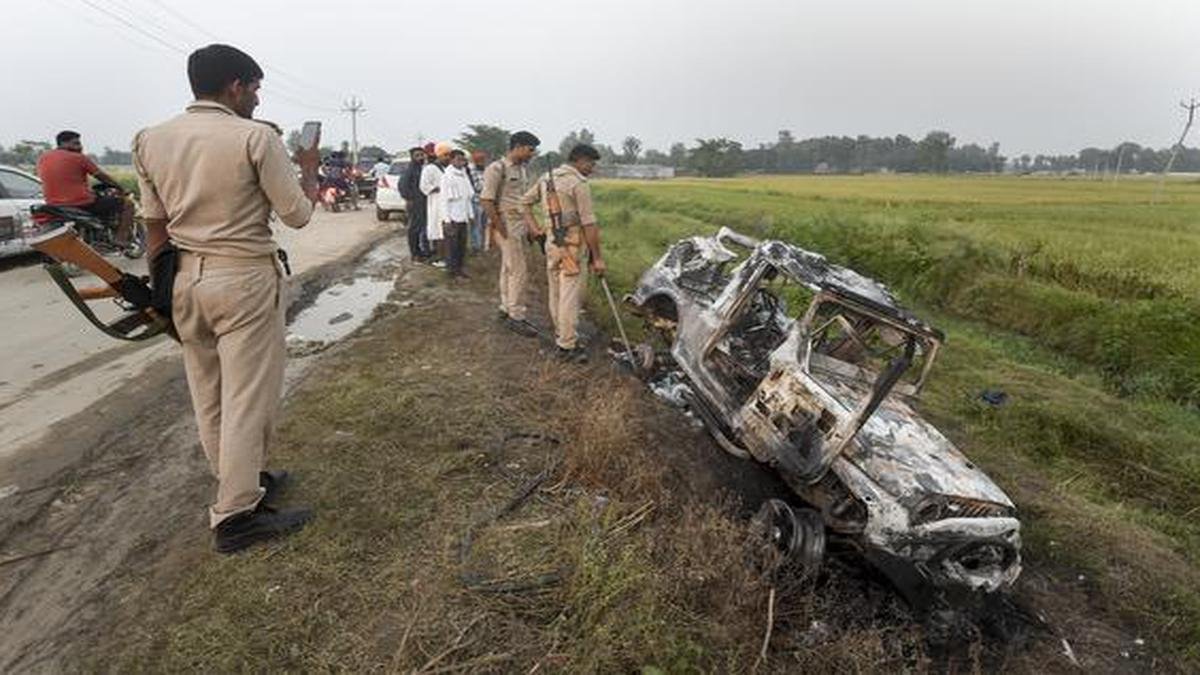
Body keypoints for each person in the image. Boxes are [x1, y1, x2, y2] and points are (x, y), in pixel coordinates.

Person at [131, 44, 320, 554]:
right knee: (247, 398)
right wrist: (308, 167)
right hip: (243, 280)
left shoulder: (150, 139)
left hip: (184, 280)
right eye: (255, 88)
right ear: (235, 86)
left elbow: (154, 225)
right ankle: (237, 516)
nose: (257, 99)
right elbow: (298, 215)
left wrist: (160, 291)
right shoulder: (255, 137)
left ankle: (241, 483)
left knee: (209, 394)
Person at [520, 144, 606, 362]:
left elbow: (524, 203)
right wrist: (597, 257)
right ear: (580, 160)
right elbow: (589, 224)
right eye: (591, 163)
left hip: (552, 244)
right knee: (570, 297)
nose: (592, 168)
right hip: (573, 246)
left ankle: (562, 333)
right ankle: (567, 345)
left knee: (556, 292)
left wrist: (536, 229)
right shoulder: (578, 183)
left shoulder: (545, 179)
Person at [481, 130, 540, 336]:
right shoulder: (497, 168)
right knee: (518, 271)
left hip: (518, 223)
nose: (532, 154)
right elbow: (487, 201)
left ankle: (506, 308)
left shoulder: (522, 170)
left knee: (509, 269)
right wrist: (500, 228)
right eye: (530, 150)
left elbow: (522, 201)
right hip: (506, 223)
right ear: (518, 147)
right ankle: (517, 316)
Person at [36, 130, 136, 248]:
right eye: (76, 143)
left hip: (53, 204)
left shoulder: (43, 158)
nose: (80, 147)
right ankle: (120, 238)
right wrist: (121, 188)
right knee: (128, 204)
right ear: (63, 143)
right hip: (80, 203)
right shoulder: (79, 158)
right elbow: (101, 176)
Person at [439, 149, 474, 279]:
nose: (461, 162)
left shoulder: (463, 174)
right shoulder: (447, 176)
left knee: (461, 247)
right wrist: (446, 220)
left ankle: (459, 269)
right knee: (452, 247)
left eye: (463, 160)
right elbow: (443, 200)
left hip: (463, 217)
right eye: (458, 159)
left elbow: (467, 198)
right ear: (452, 160)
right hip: (452, 218)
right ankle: (452, 272)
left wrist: (470, 216)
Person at [420, 143, 451, 267]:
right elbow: (424, 186)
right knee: (438, 231)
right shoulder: (430, 169)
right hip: (436, 203)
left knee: (447, 231)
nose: (448, 158)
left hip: (448, 203)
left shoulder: (449, 169)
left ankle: (448, 257)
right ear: (439, 155)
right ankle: (441, 258)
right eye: (445, 155)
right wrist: (437, 188)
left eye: (449, 155)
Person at [399, 147, 429, 261]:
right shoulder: (410, 170)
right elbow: (402, 186)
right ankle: (415, 253)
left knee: (421, 227)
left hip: (422, 202)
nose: (420, 157)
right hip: (414, 203)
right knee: (414, 229)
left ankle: (420, 251)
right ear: (412, 157)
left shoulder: (421, 168)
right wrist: (409, 199)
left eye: (422, 155)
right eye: (417, 155)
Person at [466, 149, 489, 253]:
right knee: (476, 225)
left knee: (484, 226)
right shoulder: (470, 170)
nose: (482, 162)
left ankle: (482, 246)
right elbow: (477, 186)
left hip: (485, 201)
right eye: (479, 160)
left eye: (483, 160)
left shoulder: (486, 170)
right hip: (475, 201)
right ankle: (476, 247)